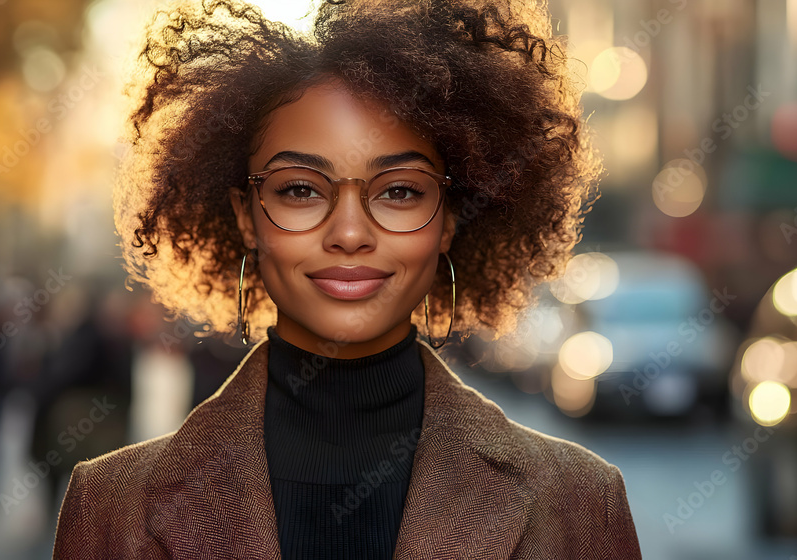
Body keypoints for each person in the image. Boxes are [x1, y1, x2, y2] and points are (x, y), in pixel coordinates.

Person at [51, 0, 642, 557]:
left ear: (452, 222)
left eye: (401, 191)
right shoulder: (108, 508)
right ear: (245, 217)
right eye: (301, 189)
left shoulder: (581, 505)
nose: (351, 233)